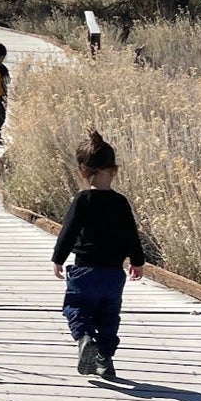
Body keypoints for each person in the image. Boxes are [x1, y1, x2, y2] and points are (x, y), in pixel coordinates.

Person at [51, 129, 145, 380]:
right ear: (114, 170)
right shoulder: (121, 202)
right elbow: (131, 234)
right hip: (114, 274)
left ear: (82, 170)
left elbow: (68, 232)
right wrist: (137, 261)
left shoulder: (83, 200)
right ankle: (106, 360)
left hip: (85, 271)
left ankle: (84, 339)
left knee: (77, 308)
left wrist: (58, 258)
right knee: (109, 316)